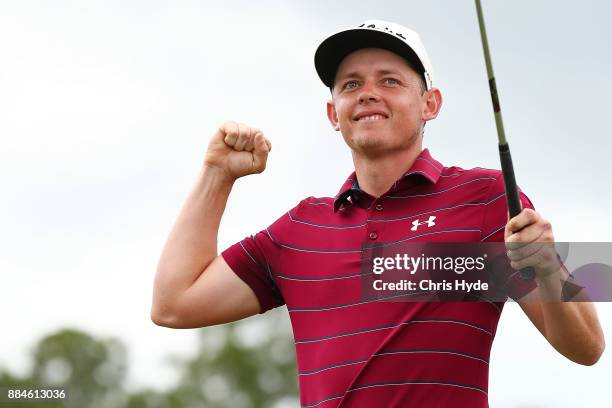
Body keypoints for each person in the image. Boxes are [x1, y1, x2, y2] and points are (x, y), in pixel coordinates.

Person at [151, 20, 604, 407]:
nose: (368, 94)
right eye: (351, 84)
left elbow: (587, 348)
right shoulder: (300, 228)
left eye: (389, 80)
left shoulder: (485, 196)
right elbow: (173, 305)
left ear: (430, 104)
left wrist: (546, 267)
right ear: (334, 113)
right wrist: (216, 175)